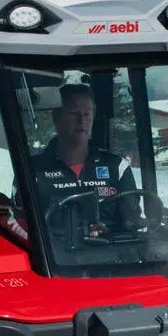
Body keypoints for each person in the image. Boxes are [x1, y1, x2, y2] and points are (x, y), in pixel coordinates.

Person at [31, 84, 140, 233]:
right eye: (74, 113)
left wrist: (106, 231)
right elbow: (24, 228)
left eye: (87, 114)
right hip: (54, 255)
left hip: (112, 253)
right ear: (56, 117)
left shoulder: (117, 167)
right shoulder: (33, 170)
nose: (82, 120)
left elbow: (132, 225)